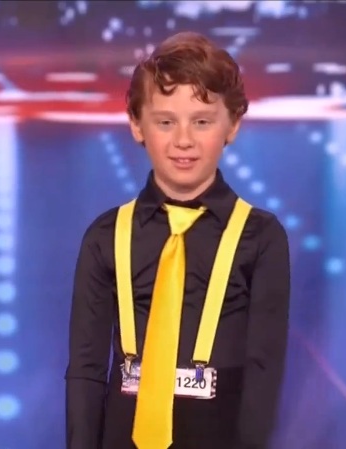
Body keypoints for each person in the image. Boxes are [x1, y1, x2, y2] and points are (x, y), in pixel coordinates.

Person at [65, 31, 291, 449]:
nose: (183, 140)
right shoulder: (105, 236)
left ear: (232, 125)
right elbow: (86, 370)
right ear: (137, 124)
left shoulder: (261, 237)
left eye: (202, 122)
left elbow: (264, 373)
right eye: (165, 122)